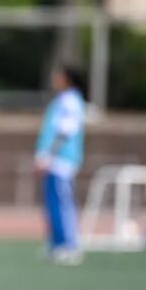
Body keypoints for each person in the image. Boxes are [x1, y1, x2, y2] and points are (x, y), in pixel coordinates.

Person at [35, 66, 86, 265]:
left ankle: (69, 245)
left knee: (62, 203)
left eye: (59, 77)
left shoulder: (70, 101)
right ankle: (57, 244)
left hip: (61, 161)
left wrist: (47, 156)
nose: (55, 80)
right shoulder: (61, 100)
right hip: (54, 160)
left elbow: (65, 131)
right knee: (53, 205)